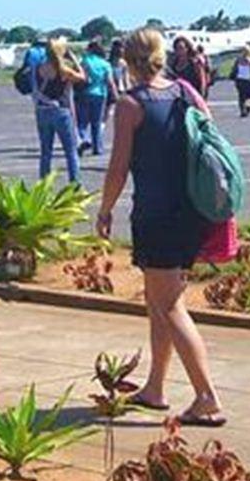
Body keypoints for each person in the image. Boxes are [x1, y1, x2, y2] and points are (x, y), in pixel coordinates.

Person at [95, 27, 226, 426]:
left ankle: (207, 396)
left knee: (169, 305)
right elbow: (210, 134)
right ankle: (155, 386)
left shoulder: (130, 104)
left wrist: (104, 209)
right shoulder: (185, 92)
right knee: (158, 303)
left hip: (156, 214)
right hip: (190, 210)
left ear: (127, 61)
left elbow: (118, 167)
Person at [33, 36, 86, 184]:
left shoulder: (40, 67)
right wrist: (74, 59)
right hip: (60, 111)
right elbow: (82, 77)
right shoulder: (63, 69)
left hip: (42, 110)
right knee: (71, 151)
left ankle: (43, 185)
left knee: (46, 152)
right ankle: (75, 184)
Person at [77, 39, 111, 156]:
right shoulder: (105, 63)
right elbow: (109, 81)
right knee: (96, 122)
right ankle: (97, 148)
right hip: (100, 93)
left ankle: (83, 139)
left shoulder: (84, 61)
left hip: (85, 93)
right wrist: (116, 94)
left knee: (82, 122)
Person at [230, 47, 250, 118]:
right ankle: (247, 109)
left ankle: (243, 110)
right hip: (246, 80)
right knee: (248, 96)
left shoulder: (238, 60)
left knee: (242, 96)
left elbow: (234, 69)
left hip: (240, 79)